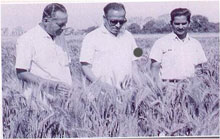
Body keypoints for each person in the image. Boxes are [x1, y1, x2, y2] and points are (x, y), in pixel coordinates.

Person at [15, 3, 72, 100]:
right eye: (60, 24)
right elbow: (21, 73)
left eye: (65, 23)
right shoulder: (27, 39)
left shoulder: (60, 37)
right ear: (46, 20)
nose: (64, 28)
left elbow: (67, 67)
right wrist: (52, 85)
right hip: (40, 102)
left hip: (64, 101)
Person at [80, 2, 140, 91]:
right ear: (104, 18)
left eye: (122, 21)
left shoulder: (128, 36)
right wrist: (102, 86)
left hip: (127, 92)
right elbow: (85, 67)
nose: (118, 25)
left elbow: (134, 63)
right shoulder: (91, 37)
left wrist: (139, 85)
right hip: (102, 93)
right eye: (113, 21)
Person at [149, 8, 207, 86]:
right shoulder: (161, 43)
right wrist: (158, 89)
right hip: (168, 87)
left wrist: (196, 87)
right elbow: (154, 69)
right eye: (177, 23)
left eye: (184, 23)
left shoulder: (196, 44)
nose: (180, 27)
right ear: (171, 23)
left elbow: (199, 70)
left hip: (190, 87)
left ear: (189, 23)